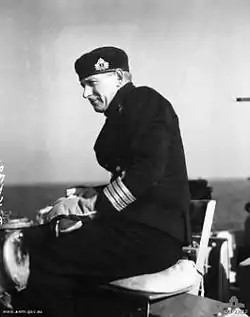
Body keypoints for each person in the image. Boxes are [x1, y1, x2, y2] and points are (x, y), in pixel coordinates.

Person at [6, 46, 190, 316]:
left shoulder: (145, 100)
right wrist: (87, 195)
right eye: (82, 85)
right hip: (130, 232)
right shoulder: (121, 114)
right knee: (34, 239)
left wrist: (87, 206)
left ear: (118, 77)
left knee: (39, 255)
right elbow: (130, 179)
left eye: (91, 83)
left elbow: (147, 173)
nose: (85, 93)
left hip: (152, 238)